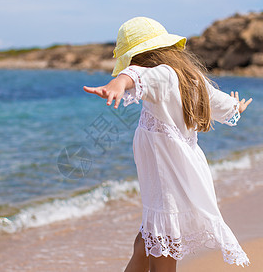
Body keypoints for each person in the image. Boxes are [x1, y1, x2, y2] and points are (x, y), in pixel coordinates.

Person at [83, 17, 252, 271]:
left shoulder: (162, 76)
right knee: (142, 247)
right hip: (175, 180)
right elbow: (220, 103)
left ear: (141, 57)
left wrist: (118, 84)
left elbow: (138, 75)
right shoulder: (191, 79)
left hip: (167, 188)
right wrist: (236, 106)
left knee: (160, 255)